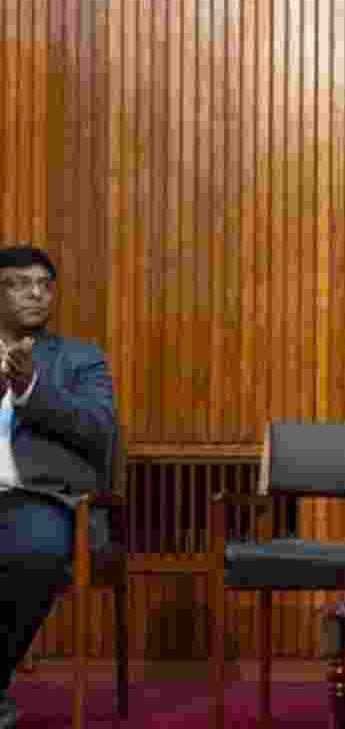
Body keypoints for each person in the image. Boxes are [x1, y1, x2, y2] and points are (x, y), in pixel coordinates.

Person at [0, 245, 116, 729]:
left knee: (36, 547)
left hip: (39, 498)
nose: (36, 293)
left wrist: (30, 389)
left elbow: (98, 428)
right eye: (20, 283)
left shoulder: (78, 359)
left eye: (44, 285)